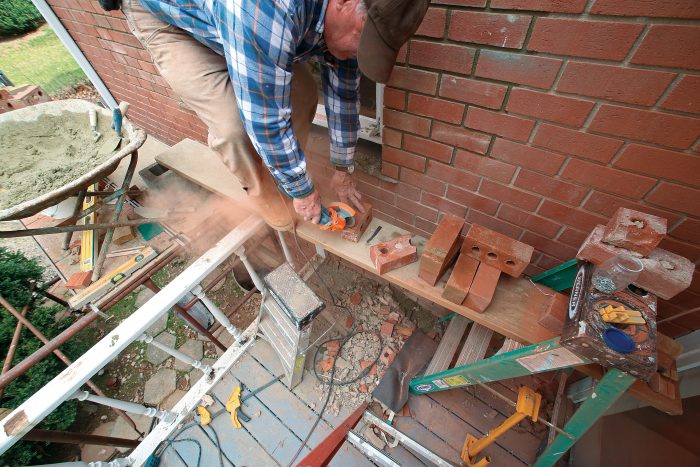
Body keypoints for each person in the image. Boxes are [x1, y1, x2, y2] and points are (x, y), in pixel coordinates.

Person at [121, 0, 429, 230]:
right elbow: (265, 118)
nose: (360, 51)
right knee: (235, 125)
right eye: (361, 39)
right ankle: (263, 188)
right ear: (344, 2)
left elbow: (344, 93)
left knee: (304, 91)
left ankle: (281, 168)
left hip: (240, 26)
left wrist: (342, 168)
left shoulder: (346, 23)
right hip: (172, 19)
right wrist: (303, 191)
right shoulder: (267, 8)